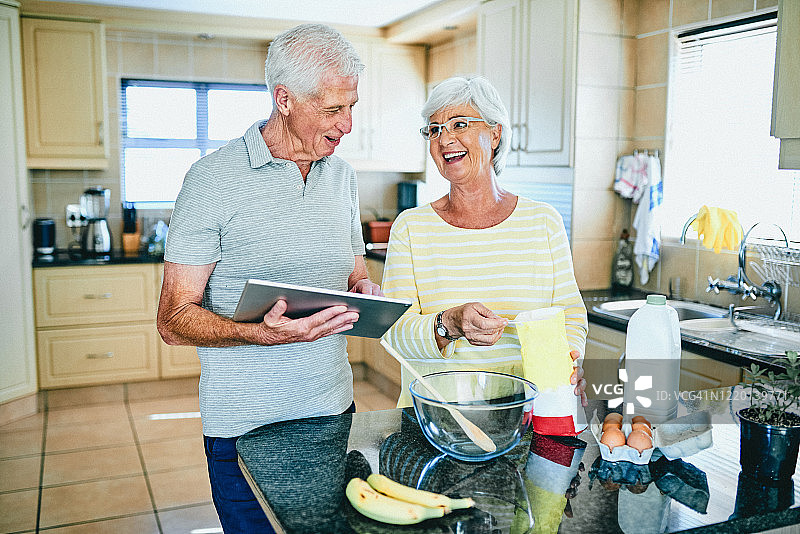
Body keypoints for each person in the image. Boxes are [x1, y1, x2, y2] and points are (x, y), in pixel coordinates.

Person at [156, 23, 381, 534]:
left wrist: (363, 292)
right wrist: (259, 333)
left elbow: (353, 272)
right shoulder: (212, 179)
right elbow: (173, 319)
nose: (346, 124)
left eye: (352, 107)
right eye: (331, 110)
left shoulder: (342, 176)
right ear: (284, 98)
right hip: (244, 426)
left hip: (331, 412)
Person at [380, 75, 588, 407]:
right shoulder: (411, 228)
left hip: (529, 410)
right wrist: (449, 323)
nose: (444, 138)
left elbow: (571, 315)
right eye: (434, 130)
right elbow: (393, 333)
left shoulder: (543, 222)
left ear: (495, 133)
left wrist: (571, 357)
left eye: (458, 124)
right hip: (436, 414)